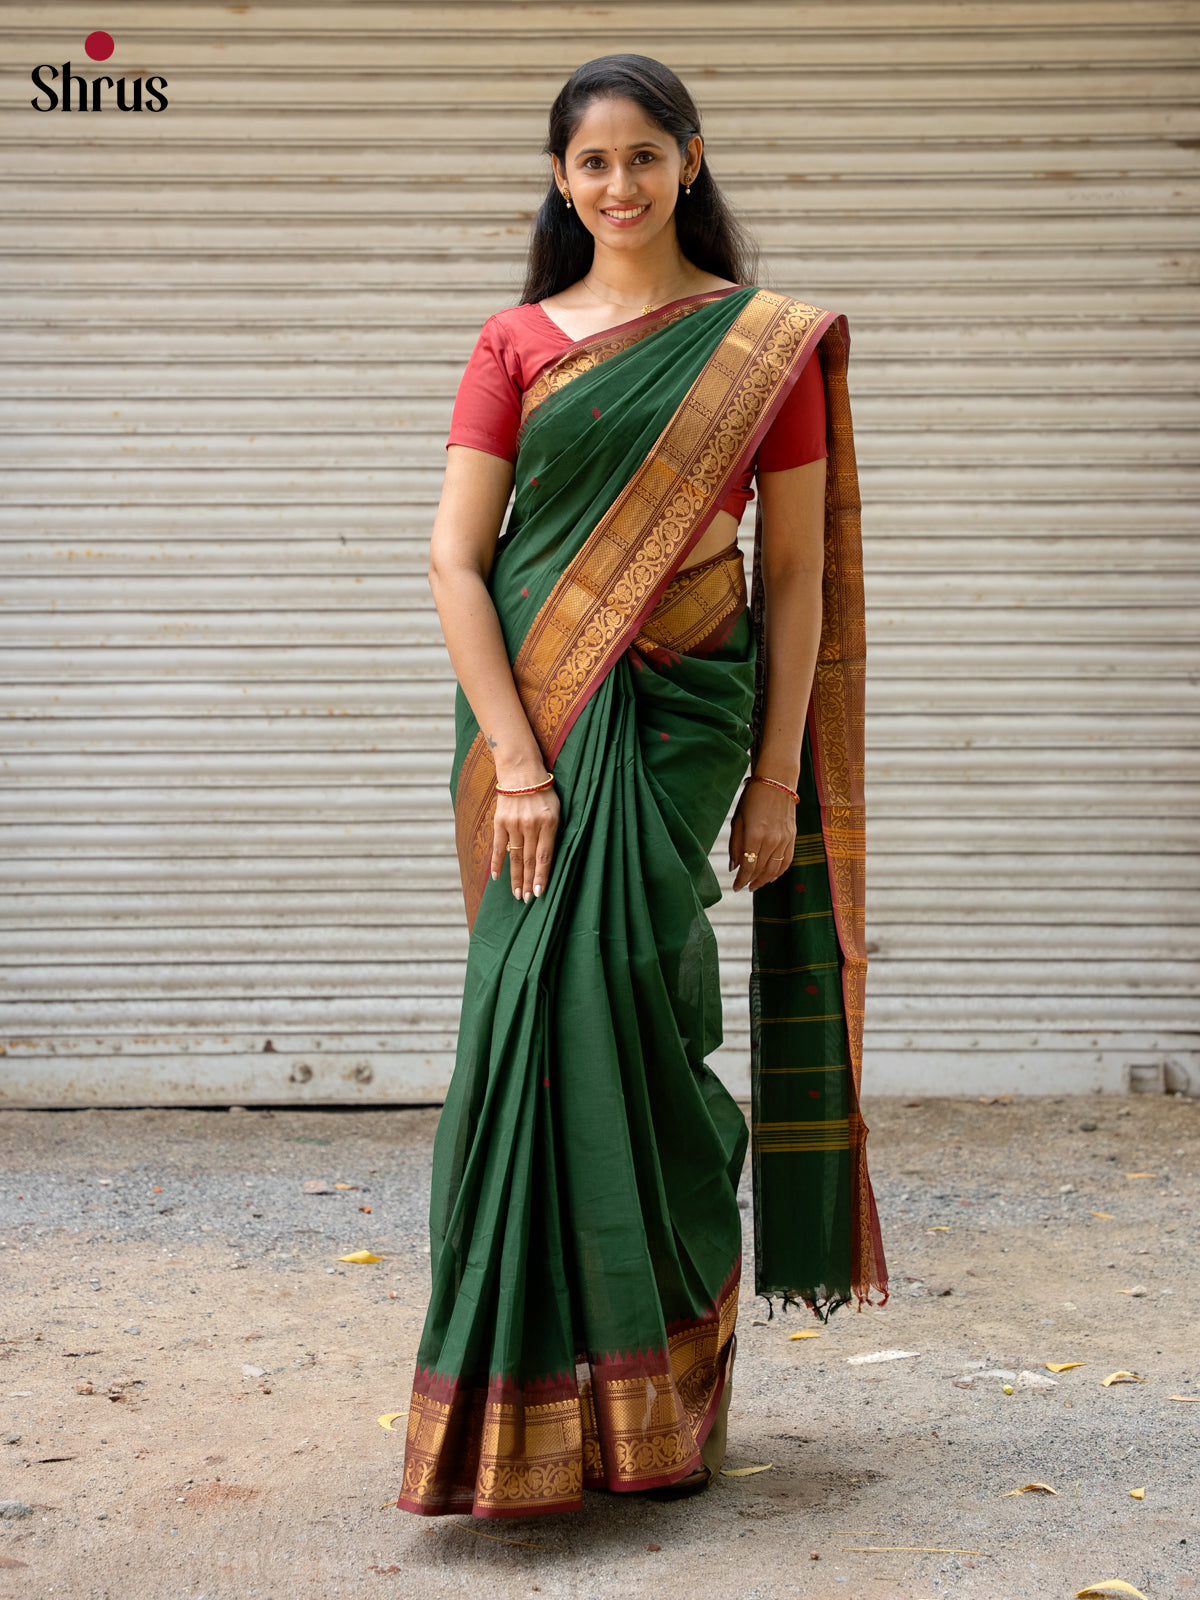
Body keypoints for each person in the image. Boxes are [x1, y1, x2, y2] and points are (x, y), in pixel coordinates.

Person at [397, 53, 887, 1522]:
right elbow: (453, 561)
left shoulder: (762, 348)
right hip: (527, 735)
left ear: (690, 162)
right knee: (519, 1043)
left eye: (644, 158)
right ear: (562, 181)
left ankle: (663, 1388)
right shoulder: (515, 344)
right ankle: (513, 1423)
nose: (619, 186)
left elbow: (791, 579)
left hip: (684, 725)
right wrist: (524, 759)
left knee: (633, 1010)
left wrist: (775, 783)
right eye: (591, 163)